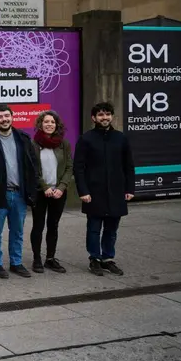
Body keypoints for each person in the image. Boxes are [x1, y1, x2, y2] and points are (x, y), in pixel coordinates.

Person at [73, 102, 134, 277]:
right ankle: (94, 258)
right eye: (100, 115)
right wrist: (83, 191)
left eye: (107, 114)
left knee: (111, 229)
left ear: (112, 116)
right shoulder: (86, 139)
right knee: (94, 228)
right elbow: (78, 168)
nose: (104, 117)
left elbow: (128, 166)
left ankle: (107, 258)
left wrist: (130, 189)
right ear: (94, 118)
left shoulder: (121, 138)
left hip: (116, 191)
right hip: (94, 192)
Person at [0, 104, 39, 279]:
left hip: (19, 193)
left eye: (7, 116)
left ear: (12, 117)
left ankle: (16, 262)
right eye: (0, 117)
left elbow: (32, 165)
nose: (4, 119)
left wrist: (32, 190)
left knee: (17, 231)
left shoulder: (23, 138)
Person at [30, 110, 73, 274]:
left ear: (57, 125)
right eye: (46, 121)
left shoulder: (64, 144)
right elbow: (32, 169)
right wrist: (44, 187)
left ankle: (50, 258)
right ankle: (37, 259)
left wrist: (61, 187)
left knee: (53, 225)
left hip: (58, 193)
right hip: (40, 192)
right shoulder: (33, 144)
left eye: (52, 122)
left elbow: (69, 167)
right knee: (38, 225)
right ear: (40, 124)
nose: (49, 124)